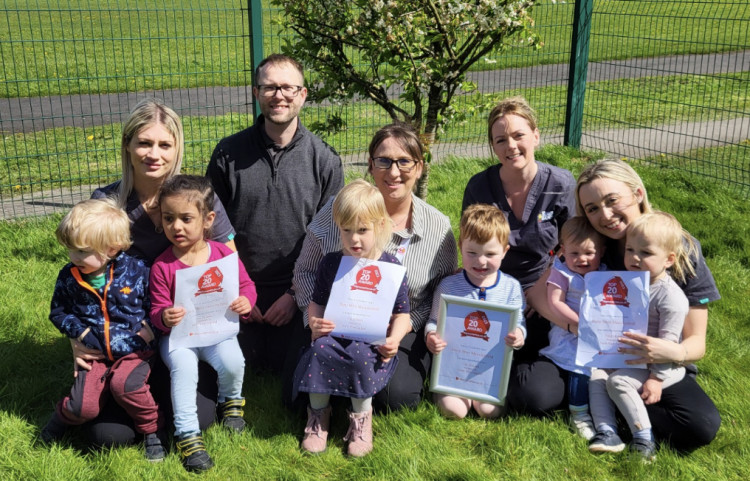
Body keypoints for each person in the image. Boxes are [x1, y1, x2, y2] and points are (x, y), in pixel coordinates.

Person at [526, 158, 720, 452]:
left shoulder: (679, 248)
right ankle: (604, 405)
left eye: (612, 200)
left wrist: (672, 351)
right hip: (592, 352)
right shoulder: (592, 245)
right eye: (592, 208)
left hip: (654, 364)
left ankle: (608, 408)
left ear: (638, 194)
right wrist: (575, 326)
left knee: (699, 426)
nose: (605, 214)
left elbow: (697, 342)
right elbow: (538, 296)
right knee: (534, 396)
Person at [81, 99, 237, 446]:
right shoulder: (106, 203)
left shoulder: (197, 197)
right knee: (108, 436)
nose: (154, 154)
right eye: (144, 143)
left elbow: (229, 261)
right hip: (126, 332)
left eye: (165, 144)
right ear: (127, 145)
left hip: (188, 328)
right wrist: (77, 340)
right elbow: (83, 279)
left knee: (200, 417)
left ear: (177, 148)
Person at [291, 123, 458, 412]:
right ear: (370, 165)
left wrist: (402, 329)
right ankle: (325, 411)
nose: (394, 172)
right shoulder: (338, 209)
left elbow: (441, 291)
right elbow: (305, 271)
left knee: (397, 397)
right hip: (333, 327)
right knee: (294, 398)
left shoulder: (437, 227)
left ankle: (357, 410)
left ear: (419, 168)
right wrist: (314, 318)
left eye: (404, 161)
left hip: (397, 330)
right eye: (384, 161)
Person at [207, 53, 344, 375]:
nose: (278, 95)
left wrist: (293, 295)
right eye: (269, 87)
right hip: (238, 287)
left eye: (287, 87)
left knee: (292, 369)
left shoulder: (325, 161)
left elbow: (331, 239)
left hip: (297, 288)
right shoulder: (228, 153)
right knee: (236, 367)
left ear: (303, 94)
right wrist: (239, 290)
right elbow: (210, 228)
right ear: (256, 93)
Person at [461, 96, 577, 413]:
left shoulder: (561, 184)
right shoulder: (479, 187)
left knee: (534, 397)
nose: (511, 146)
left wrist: (541, 291)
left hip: (546, 295)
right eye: (501, 140)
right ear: (493, 147)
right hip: (493, 292)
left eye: (518, 135)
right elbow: (470, 248)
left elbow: (574, 249)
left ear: (536, 136)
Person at [293, 180, 411, 457]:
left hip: (371, 341)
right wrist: (314, 322)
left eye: (362, 230)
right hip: (333, 336)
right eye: (346, 230)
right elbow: (317, 303)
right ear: (337, 226)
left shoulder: (390, 267)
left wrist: (394, 339)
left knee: (361, 356)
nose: (354, 239)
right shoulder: (332, 263)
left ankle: (361, 421)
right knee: (318, 350)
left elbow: (403, 312)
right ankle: (318, 417)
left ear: (380, 226)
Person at [42, 198, 165, 461]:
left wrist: (149, 331)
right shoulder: (69, 276)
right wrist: (80, 333)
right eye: (70, 249)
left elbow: (156, 304)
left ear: (112, 248)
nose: (74, 258)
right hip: (94, 354)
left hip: (134, 351)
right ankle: (59, 422)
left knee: (126, 386)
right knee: (82, 407)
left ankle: (152, 432)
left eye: (82, 251)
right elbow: (58, 311)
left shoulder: (136, 271)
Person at [149, 175, 257, 472]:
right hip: (179, 339)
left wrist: (246, 303)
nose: (176, 227)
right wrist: (164, 317)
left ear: (208, 219)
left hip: (216, 331)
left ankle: (230, 404)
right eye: (169, 218)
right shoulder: (162, 266)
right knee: (183, 370)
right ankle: (187, 436)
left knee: (234, 361)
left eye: (186, 218)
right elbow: (156, 309)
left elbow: (246, 286)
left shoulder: (223, 255)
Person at [588, 211, 692, 461]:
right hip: (631, 358)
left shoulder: (670, 297)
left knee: (617, 382)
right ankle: (607, 431)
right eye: (630, 250)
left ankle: (644, 439)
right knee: (596, 373)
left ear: (668, 259)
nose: (634, 258)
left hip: (663, 365)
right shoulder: (629, 281)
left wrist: (656, 378)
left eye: (645, 253)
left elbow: (667, 345)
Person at [425, 204, 526, 419]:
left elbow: (519, 322)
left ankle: (481, 395)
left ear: (505, 251)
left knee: (490, 410)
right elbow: (434, 321)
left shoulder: (511, 288)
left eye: (490, 254)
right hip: (454, 368)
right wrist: (431, 336)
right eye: (472, 253)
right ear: (461, 247)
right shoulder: (448, 286)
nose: (481, 261)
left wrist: (518, 335)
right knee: (455, 410)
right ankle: (449, 392)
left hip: (490, 370)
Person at [538, 216, 606, 440]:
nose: (582, 260)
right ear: (563, 251)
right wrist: (578, 322)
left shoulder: (605, 273)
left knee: (600, 370)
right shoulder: (562, 272)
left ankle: (602, 413)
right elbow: (555, 301)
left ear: (602, 251)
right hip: (569, 331)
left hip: (600, 332)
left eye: (589, 253)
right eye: (574, 253)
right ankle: (579, 414)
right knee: (580, 365)